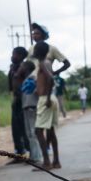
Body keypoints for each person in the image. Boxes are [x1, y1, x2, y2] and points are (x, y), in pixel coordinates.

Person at [32, 41, 61, 169]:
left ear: (38, 51)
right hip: (50, 97)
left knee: (38, 131)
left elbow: (50, 79)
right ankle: (56, 161)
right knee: (50, 131)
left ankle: (46, 162)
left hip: (45, 99)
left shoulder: (42, 63)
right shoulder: (48, 63)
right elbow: (47, 80)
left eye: (35, 48)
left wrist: (47, 98)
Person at [7, 46, 32, 161]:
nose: (12, 56)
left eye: (15, 54)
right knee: (15, 128)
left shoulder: (25, 67)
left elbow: (27, 83)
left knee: (24, 128)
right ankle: (19, 153)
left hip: (23, 100)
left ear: (21, 56)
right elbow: (11, 87)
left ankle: (30, 152)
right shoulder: (12, 68)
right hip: (16, 100)